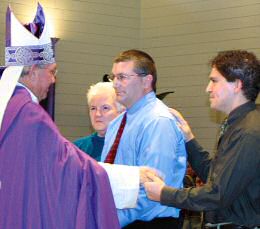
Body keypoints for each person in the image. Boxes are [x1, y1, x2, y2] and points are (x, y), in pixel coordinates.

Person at [0, 4, 120, 228]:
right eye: (52, 72)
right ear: (34, 70)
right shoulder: (29, 115)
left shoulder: (10, 106)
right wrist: (132, 179)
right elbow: (71, 172)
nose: (54, 80)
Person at [144, 50, 260, 228]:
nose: (208, 88)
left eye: (214, 81)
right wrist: (189, 139)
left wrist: (163, 194)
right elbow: (214, 176)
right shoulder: (240, 124)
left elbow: (217, 194)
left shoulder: (248, 132)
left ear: (237, 84)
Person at [101, 49, 187, 228]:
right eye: (113, 77)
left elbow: (152, 191)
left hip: (151, 222)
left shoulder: (158, 121)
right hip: (120, 218)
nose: (115, 84)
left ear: (146, 81)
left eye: (123, 77)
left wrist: (111, 221)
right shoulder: (117, 123)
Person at [74, 82, 124, 161]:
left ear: (121, 111)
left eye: (105, 108)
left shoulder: (129, 146)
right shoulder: (78, 148)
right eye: (93, 108)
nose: (97, 114)